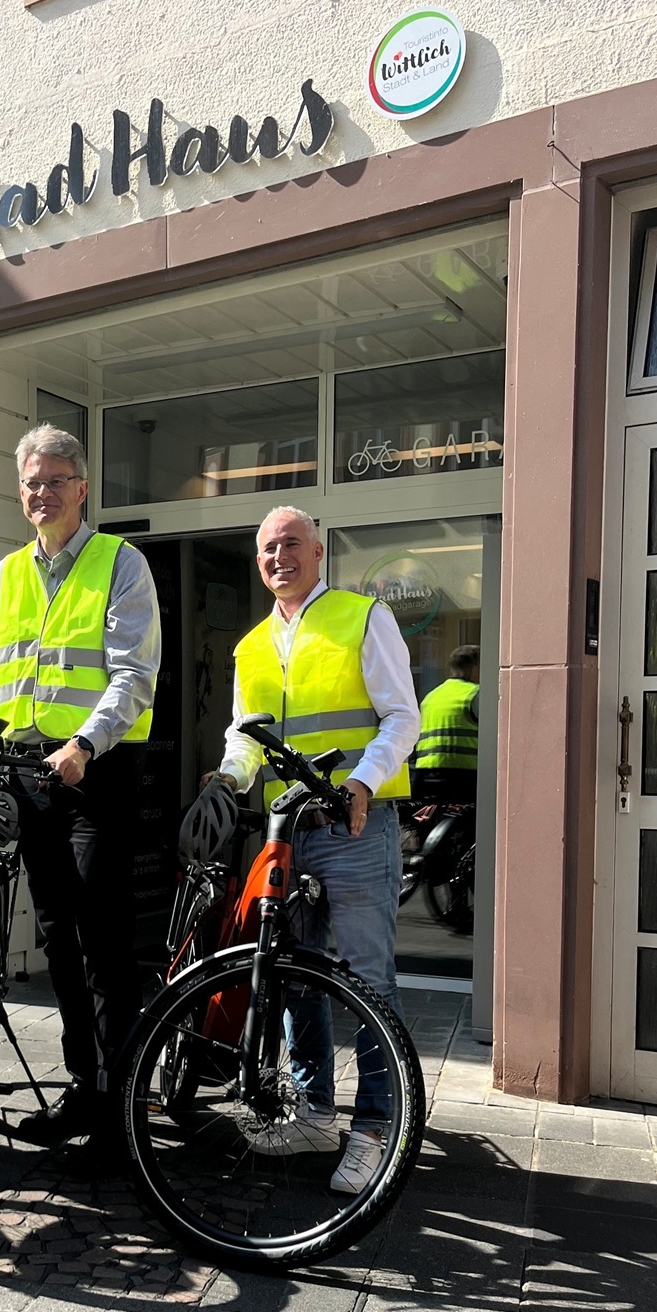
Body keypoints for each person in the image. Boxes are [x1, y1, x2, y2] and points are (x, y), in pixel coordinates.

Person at [211, 506, 419, 1194]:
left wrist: (362, 781)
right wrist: (227, 779)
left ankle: (376, 1129)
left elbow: (402, 716)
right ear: (259, 562)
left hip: (356, 825)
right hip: (289, 830)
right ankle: (315, 1114)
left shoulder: (363, 617)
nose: (280, 557)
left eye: (292, 544)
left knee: (367, 981)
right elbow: (244, 735)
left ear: (319, 551)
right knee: (296, 976)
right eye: (269, 549)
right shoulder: (250, 646)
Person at [0, 423, 161, 1143]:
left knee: (102, 940)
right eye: (32, 482)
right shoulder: (4, 576)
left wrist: (85, 743)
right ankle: (85, 1088)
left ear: (82, 489)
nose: (43, 493)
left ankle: (122, 1107)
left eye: (56, 481)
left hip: (97, 771)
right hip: (31, 774)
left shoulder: (121, 563)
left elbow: (133, 674)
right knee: (57, 936)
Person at [412, 644, 480, 802]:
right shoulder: (476, 693)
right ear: (475, 666)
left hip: (425, 776)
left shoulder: (431, 696)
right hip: (464, 778)